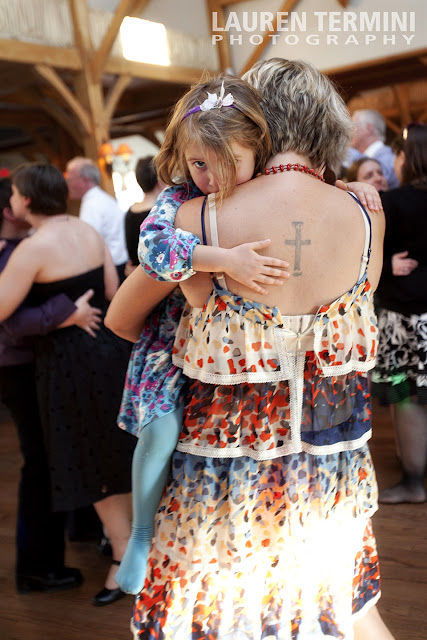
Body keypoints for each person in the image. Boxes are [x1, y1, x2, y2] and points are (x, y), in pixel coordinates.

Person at [107, 60, 394, 639]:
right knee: (343, 613)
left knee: (222, 612)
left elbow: (120, 318)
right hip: (328, 469)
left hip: (226, 474)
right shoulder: (367, 215)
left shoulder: (198, 216)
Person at [0, 164, 136, 606]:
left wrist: (59, 314)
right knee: (118, 451)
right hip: (109, 351)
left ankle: (123, 558)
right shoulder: (87, 231)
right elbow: (113, 291)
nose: (12, 201)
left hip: (69, 364)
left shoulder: (32, 248)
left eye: (15, 193)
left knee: (91, 461)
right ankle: (131, 546)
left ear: (26, 200)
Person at [371, 123, 427, 504]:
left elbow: (371, 260)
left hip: (404, 320)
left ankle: (413, 482)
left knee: (408, 399)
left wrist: (388, 266)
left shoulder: (393, 203)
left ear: (407, 159)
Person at [66, 157, 128, 281]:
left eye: (70, 180)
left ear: (85, 180)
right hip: (120, 265)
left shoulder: (92, 205)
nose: (68, 185)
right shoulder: (102, 198)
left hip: (113, 270)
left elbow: (87, 246)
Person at [124, 156, 164, 278]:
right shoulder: (161, 212)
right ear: (160, 179)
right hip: (155, 277)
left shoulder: (130, 212)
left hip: (135, 277)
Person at [349, 109, 399, 189]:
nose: (349, 131)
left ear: (369, 128)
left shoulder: (386, 159)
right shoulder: (387, 157)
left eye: (353, 126)